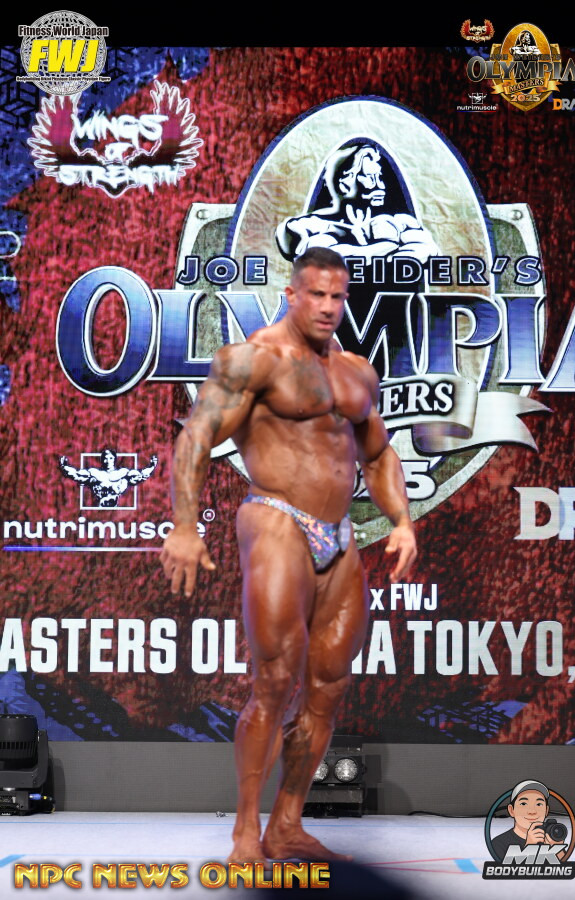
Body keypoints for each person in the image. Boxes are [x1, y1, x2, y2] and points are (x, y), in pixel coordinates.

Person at [161, 247, 417, 863]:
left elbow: (378, 454)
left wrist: (402, 520)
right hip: (277, 518)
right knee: (275, 682)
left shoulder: (356, 372)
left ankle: (286, 824)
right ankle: (245, 832)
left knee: (328, 687)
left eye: (338, 297)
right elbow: (197, 434)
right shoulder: (255, 359)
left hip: (339, 533)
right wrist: (185, 526)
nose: (328, 307)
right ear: (292, 294)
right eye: (317, 295)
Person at [276, 143, 438, 265]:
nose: (380, 186)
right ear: (344, 184)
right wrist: (388, 247)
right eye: (370, 178)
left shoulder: (399, 224)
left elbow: (430, 254)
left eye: (379, 178)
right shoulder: (306, 227)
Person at [491, 781, 566, 861]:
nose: (532, 811)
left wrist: (558, 849)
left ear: (546, 811)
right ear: (511, 810)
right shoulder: (498, 843)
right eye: (523, 804)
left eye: (539, 804)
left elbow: (567, 866)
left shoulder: (551, 837)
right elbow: (505, 868)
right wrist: (529, 847)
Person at [59, 447, 157, 508]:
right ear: (102, 460)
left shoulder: (122, 473)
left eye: (110, 458)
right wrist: (65, 466)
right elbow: (76, 474)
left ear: (114, 459)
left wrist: (152, 466)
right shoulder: (95, 473)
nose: (108, 461)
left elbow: (141, 475)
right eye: (105, 458)